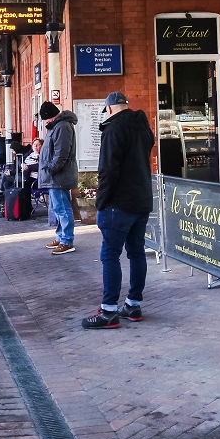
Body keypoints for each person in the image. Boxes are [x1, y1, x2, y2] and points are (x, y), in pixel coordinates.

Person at [83, 91, 154, 329]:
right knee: (136, 252)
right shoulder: (143, 128)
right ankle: (133, 305)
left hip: (118, 204)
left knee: (110, 255)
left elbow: (108, 170)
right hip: (141, 200)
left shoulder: (113, 130)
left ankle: (109, 310)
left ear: (110, 109)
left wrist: (101, 202)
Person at [36, 102, 79, 253]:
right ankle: (62, 237)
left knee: (62, 208)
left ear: (51, 116)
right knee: (59, 207)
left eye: (46, 119)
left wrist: (51, 169)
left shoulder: (62, 127)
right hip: (56, 176)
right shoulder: (57, 126)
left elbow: (61, 153)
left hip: (59, 176)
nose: (45, 122)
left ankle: (67, 240)